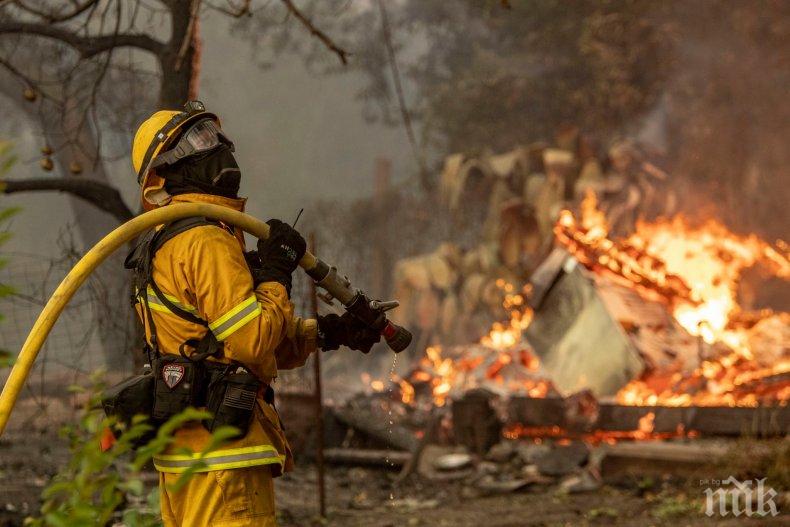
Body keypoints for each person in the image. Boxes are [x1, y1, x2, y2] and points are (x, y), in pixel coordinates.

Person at [129, 100, 380, 526]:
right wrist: (277, 275)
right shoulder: (205, 239)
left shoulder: (170, 238)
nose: (218, 147)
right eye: (198, 140)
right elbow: (251, 340)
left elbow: (219, 345)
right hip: (223, 460)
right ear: (166, 170)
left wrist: (327, 332)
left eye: (214, 135)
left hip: (188, 461)